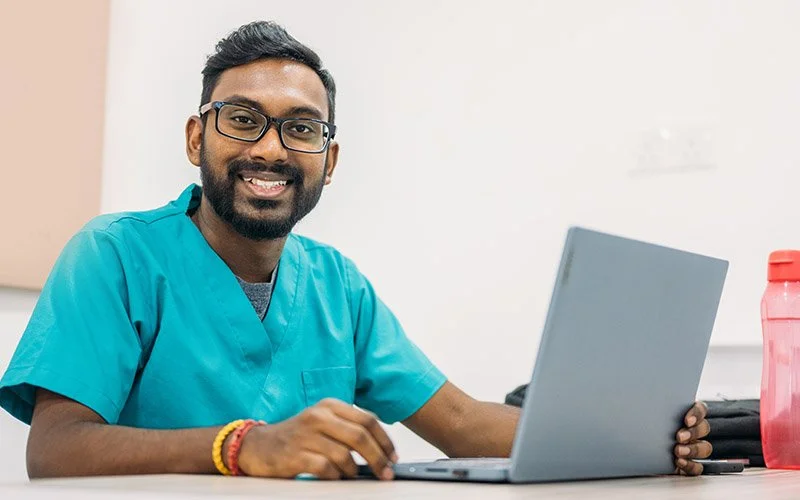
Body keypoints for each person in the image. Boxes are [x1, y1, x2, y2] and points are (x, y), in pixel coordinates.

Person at [0, 21, 711, 480]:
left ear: (328, 159)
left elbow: (462, 424)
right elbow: (56, 450)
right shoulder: (114, 257)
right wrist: (243, 446)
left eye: (301, 129)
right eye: (243, 120)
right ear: (197, 139)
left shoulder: (338, 287)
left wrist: (636, 435)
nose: (271, 149)